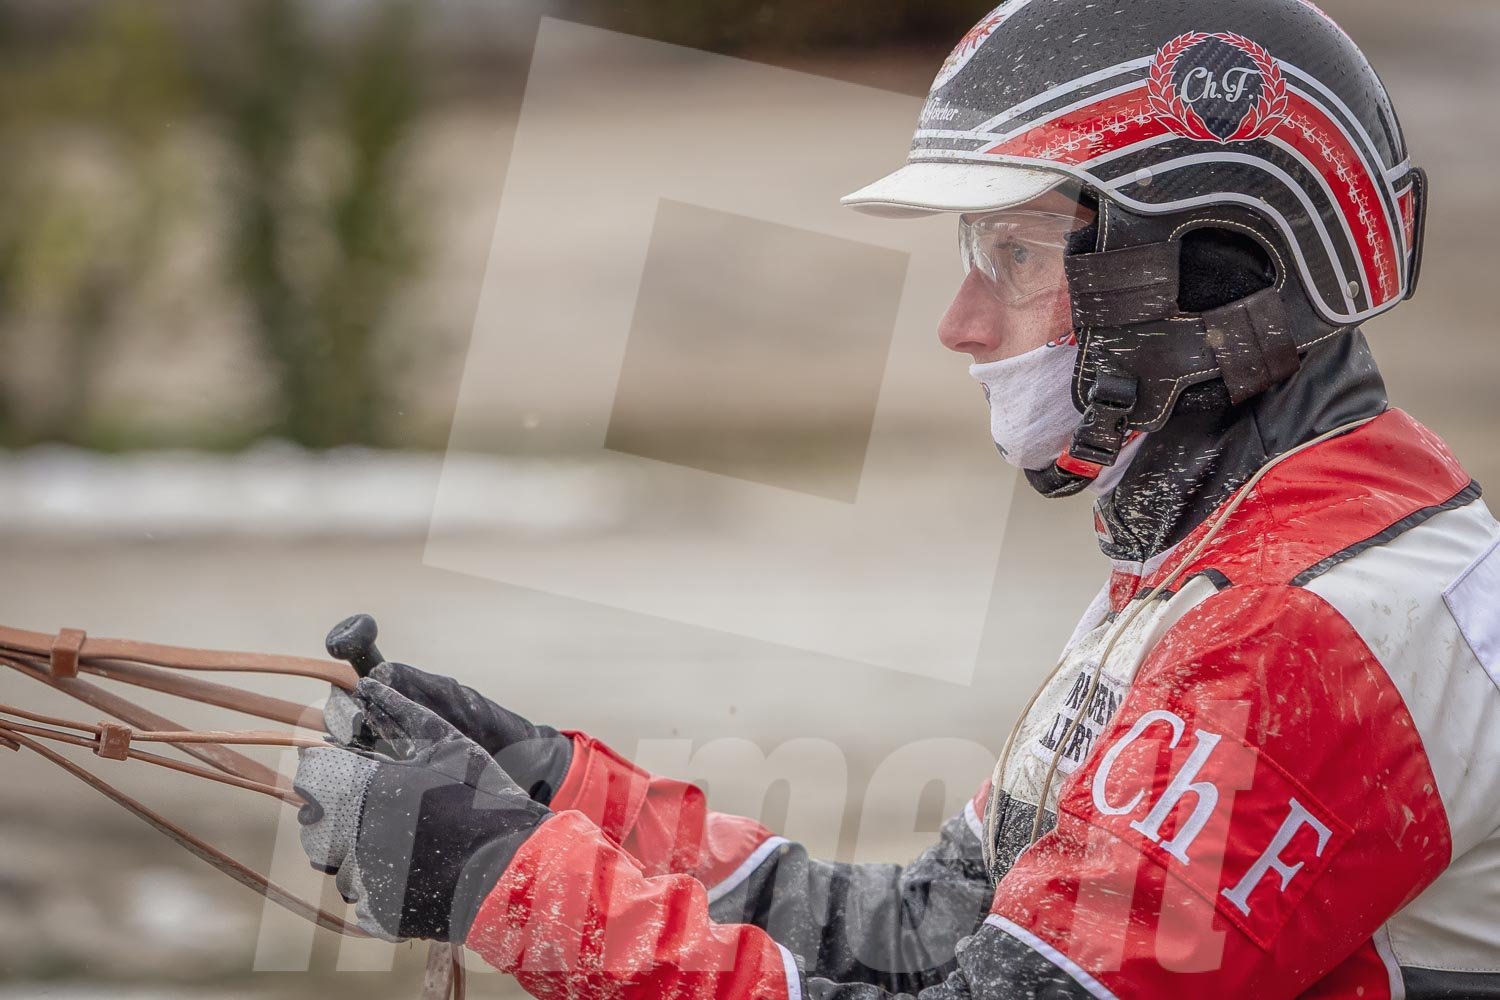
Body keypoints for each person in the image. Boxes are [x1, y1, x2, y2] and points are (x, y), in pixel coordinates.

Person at [292, 1, 1500, 996]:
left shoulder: (1308, 636)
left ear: (1208, 272)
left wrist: (513, 881)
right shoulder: (1238, 554)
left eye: (1015, 258)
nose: (960, 323)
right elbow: (930, 930)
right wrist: (557, 791)